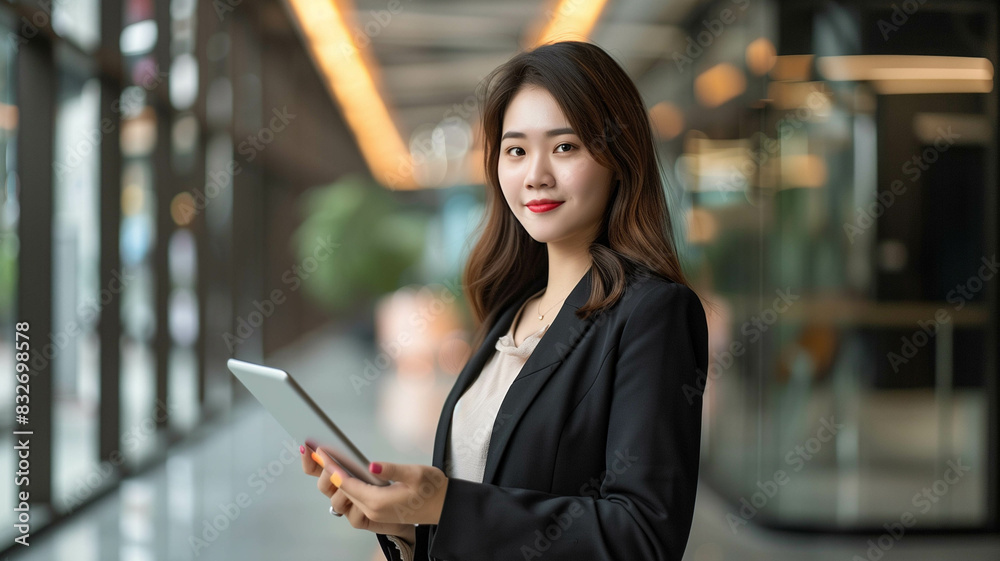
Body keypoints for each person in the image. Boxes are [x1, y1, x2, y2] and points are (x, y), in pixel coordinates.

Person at [300, 39, 709, 561]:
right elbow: (482, 497)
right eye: (516, 150)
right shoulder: (509, 310)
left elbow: (643, 537)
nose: (535, 173)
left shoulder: (652, 313)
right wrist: (409, 525)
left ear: (619, 158)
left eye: (565, 147)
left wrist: (447, 504)